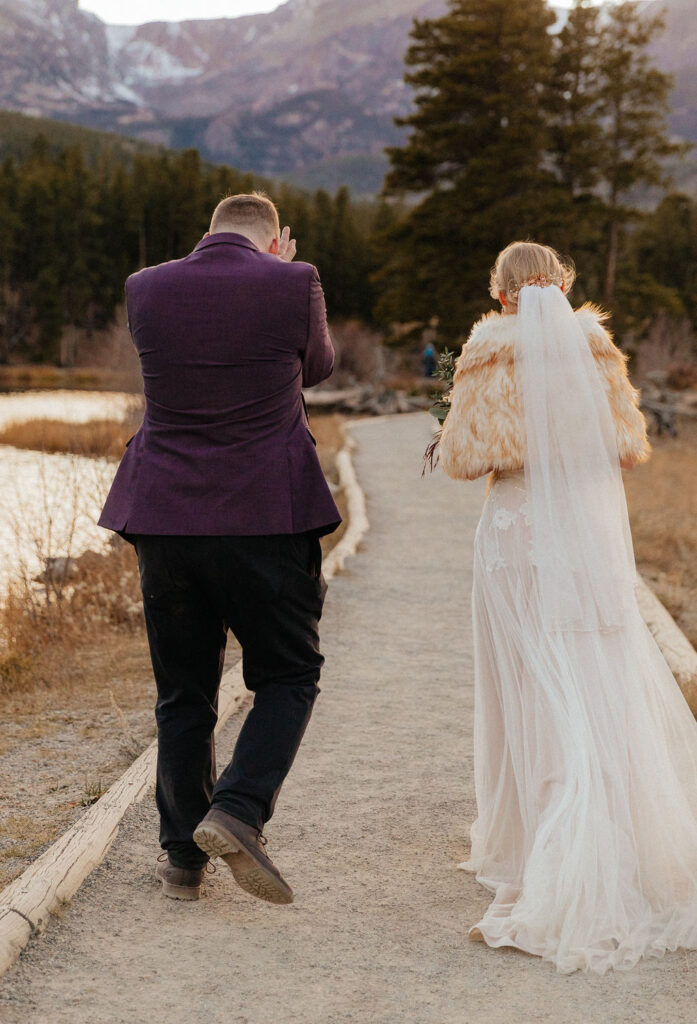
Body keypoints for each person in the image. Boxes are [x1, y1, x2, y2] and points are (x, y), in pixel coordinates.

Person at [438, 240, 697, 973]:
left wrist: (449, 424)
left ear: (499, 296)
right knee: (592, 674)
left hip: (516, 533)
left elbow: (464, 459)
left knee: (526, 680)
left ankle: (539, 849)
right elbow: (625, 446)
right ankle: (622, 839)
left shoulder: (488, 351)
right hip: (583, 532)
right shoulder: (596, 349)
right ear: (563, 286)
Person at [98, 192, 341, 905]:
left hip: (165, 517)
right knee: (290, 673)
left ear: (207, 233)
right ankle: (237, 810)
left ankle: (181, 860)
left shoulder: (146, 287)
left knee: (183, 692)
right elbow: (316, 369)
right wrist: (285, 274)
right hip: (266, 515)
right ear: (275, 239)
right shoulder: (295, 281)